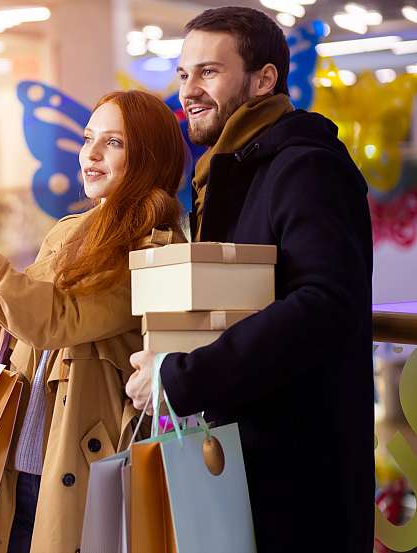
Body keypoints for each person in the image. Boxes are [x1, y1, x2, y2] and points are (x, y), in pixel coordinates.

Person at [0, 89, 186, 553]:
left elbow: (57, 322)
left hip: (75, 465)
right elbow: (26, 330)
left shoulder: (152, 250)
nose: (91, 154)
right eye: (89, 138)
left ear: (149, 157)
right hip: (16, 459)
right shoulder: (68, 231)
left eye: (114, 143)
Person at [124, 7, 374, 552]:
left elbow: (325, 303)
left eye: (209, 72)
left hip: (300, 480)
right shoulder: (227, 168)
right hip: (239, 462)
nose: (188, 89)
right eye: (184, 73)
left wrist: (182, 375)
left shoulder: (306, 166)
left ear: (264, 79)